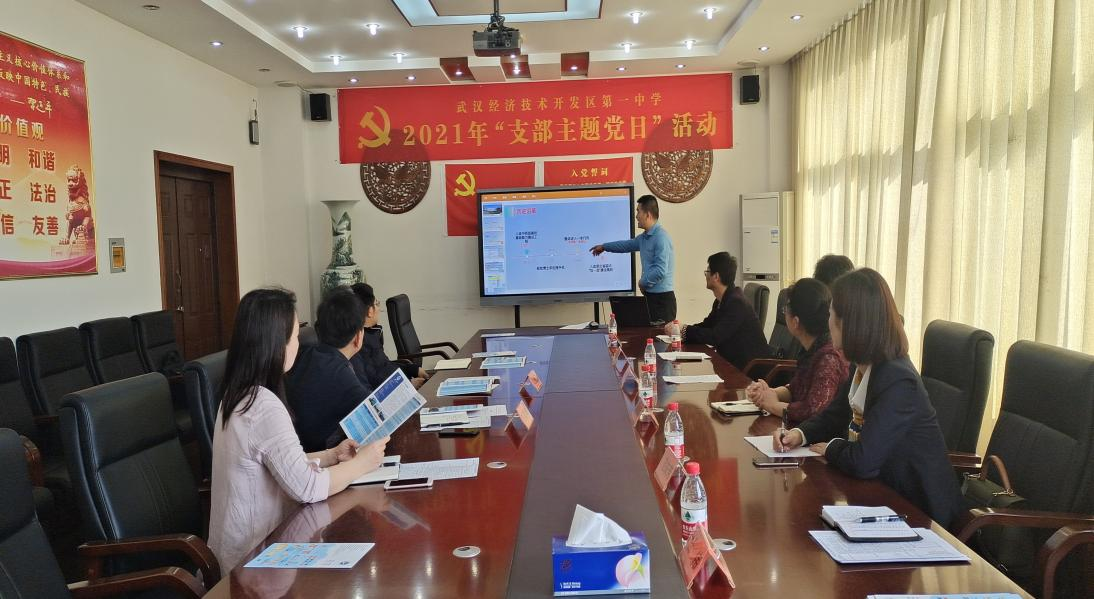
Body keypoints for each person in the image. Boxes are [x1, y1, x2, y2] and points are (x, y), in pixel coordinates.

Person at [208, 287, 388, 571]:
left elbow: (275, 464)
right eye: (294, 336)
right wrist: (362, 464)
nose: (298, 344)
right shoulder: (263, 406)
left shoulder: (237, 396)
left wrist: (331, 455)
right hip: (256, 563)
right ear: (276, 344)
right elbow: (308, 488)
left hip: (249, 551)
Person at [773, 268, 965, 527]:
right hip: (883, 497)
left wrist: (830, 448)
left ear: (850, 324)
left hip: (921, 514)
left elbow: (863, 461)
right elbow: (834, 415)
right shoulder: (864, 365)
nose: (828, 322)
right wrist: (799, 434)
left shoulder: (898, 379)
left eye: (832, 314)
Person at [745, 278, 849, 425]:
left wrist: (772, 405)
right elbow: (795, 388)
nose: (784, 313)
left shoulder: (829, 358)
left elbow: (813, 411)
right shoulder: (812, 348)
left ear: (795, 322)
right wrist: (769, 393)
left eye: (785, 310)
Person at [285, 288, 374, 452]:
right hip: (321, 458)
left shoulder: (306, 354)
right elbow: (375, 414)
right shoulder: (339, 373)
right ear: (358, 336)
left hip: (298, 450)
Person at [670, 252, 770, 370]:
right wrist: (681, 330)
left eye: (707, 272)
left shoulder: (736, 303)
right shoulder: (722, 300)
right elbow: (707, 325)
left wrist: (684, 329)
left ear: (716, 276)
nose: (705, 276)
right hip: (732, 362)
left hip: (749, 368)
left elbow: (715, 336)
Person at [591, 195, 676, 323]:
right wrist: (604, 247)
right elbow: (625, 245)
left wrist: (642, 282)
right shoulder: (644, 238)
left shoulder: (661, 237)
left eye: (638, 211)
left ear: (647, 215)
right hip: (650, 297)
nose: (636, 216)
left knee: (660, 336)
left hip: (662, 301)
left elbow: (660, 271)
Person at [350, 283, 427, 389]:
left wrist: (412, 369)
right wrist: (407, 384)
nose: (379, 309)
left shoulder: (372, 334)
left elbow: (385, 365)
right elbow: (375, 380)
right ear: (370, 311)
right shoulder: (358, 343)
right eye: (377, 304)